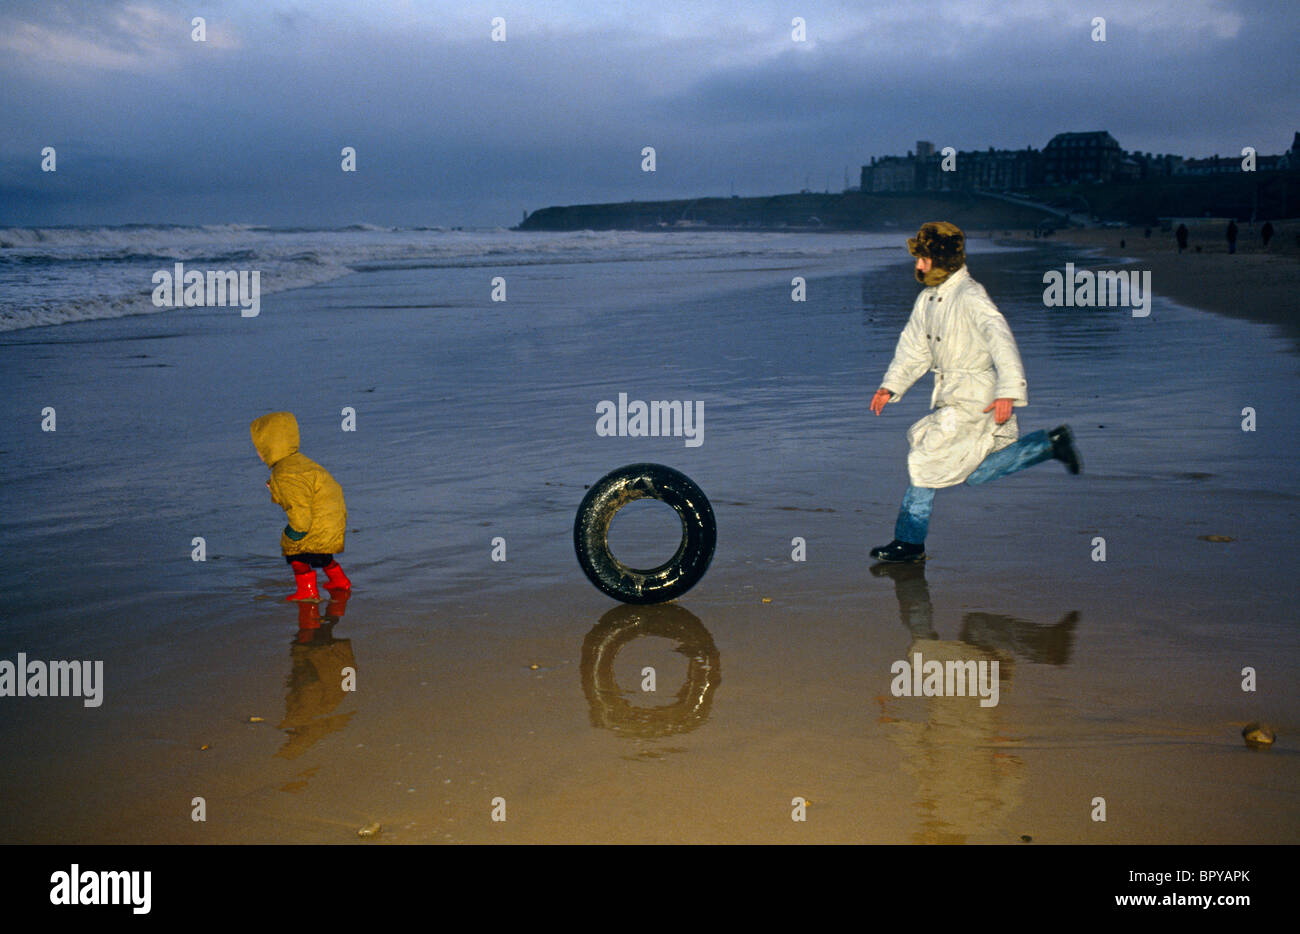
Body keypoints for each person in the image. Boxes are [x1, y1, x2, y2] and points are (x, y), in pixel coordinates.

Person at [867, 222, 1082, 563]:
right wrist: (890, 386)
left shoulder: (970, 295)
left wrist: (1008, 392)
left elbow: (1001, 339)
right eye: (918, 259)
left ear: (943, 259)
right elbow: (914, 349)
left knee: (924, 458)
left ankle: (908, 542)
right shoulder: (927, 300)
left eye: (924, 258)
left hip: (976, 397)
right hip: (954, 394)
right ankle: (1050, 445)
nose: (919, 266)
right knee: (975, 472)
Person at [251, 411, 351, 600]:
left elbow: (299, 509)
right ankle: (340, 582)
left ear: (271, 446)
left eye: (260, 447)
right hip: (330, 517)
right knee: (322, 555)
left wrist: (293, 533)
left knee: (296, 555)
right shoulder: (298, 462)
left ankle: (307, 591)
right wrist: (276, 489)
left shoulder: (285, 473)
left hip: (313, 522)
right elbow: (304, 492)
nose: (258, 452)